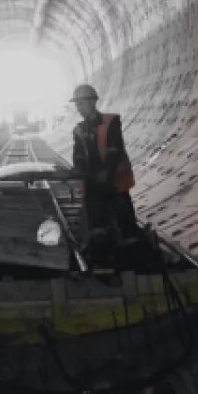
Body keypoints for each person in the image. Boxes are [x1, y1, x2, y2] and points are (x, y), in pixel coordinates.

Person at [70, 84, 142, 263]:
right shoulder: (78, 130)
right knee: (96, 220)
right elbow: (78, 154)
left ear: (93, 101)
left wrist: (107, 173)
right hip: (93, 182)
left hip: (115, 181)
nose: (79, 108)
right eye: (77, 104)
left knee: (125, 218)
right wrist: (78, 169)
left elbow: (113, 149)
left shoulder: (111, 122)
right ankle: (102, 256)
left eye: (82, 103)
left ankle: (134, 257)